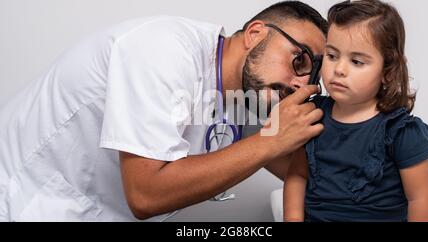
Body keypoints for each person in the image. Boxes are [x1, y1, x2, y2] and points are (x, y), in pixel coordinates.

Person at [0, 1, 328, 221]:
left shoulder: (250, 95)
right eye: (299, 59)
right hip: (24, 205)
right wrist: (271, 142)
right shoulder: (163, 49)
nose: (300, 84)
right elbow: (145, 195)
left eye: (312, 75)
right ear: (255, 34)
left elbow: (307, 175)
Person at [283, 0, 428, 222]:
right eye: (332, 56)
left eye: (356, 61)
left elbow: (420, 199)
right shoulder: (312, 115)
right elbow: (297, 176)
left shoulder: (401, 131)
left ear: (389, 71)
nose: (339, 70)